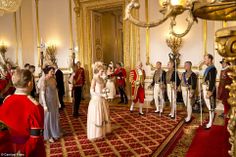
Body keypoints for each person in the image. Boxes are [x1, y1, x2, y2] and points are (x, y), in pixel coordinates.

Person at [0, 69, 45, 156]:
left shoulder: (6, 100)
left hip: (7, 147)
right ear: (29, 83)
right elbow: (35, 138)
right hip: (28, 150)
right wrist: (21, 153)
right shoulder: (35, 106)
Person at [87, 62, 111, 140]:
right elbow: (91, 91)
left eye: (103, 71)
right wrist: (100, 95)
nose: (103, 72)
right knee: (98, 116)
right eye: (101, 71)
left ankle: (102, 132)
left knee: (102, 116)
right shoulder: (94, 79)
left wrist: (105, 91)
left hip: (102, 100)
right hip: (96, 101)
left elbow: (102, 88)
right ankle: (96, 134)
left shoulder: (101, 79)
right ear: (97, 70)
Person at [39, 65, 61, 142]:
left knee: (54, 117)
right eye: (51, 71)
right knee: (48, 118)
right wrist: (44, 105)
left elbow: (56, 91)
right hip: (47, 101)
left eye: (53, 71)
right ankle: (49, 135)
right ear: (47, 72)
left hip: (54, 101)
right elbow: (42, 94)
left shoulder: (54, 79)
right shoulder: (44, 80)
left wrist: (58, 102)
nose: (53, 73)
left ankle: (55, 133)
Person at [202, 54, 217, 129]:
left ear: (210, 59)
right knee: (209, 106)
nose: (204, 60)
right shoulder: (208, 68)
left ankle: (210, 122)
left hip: (209, 89)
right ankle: (211, 119)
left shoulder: (212, 69)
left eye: (205, 59)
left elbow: (212, 81)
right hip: (206, 88)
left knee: (210, 106)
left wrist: (210, 91)